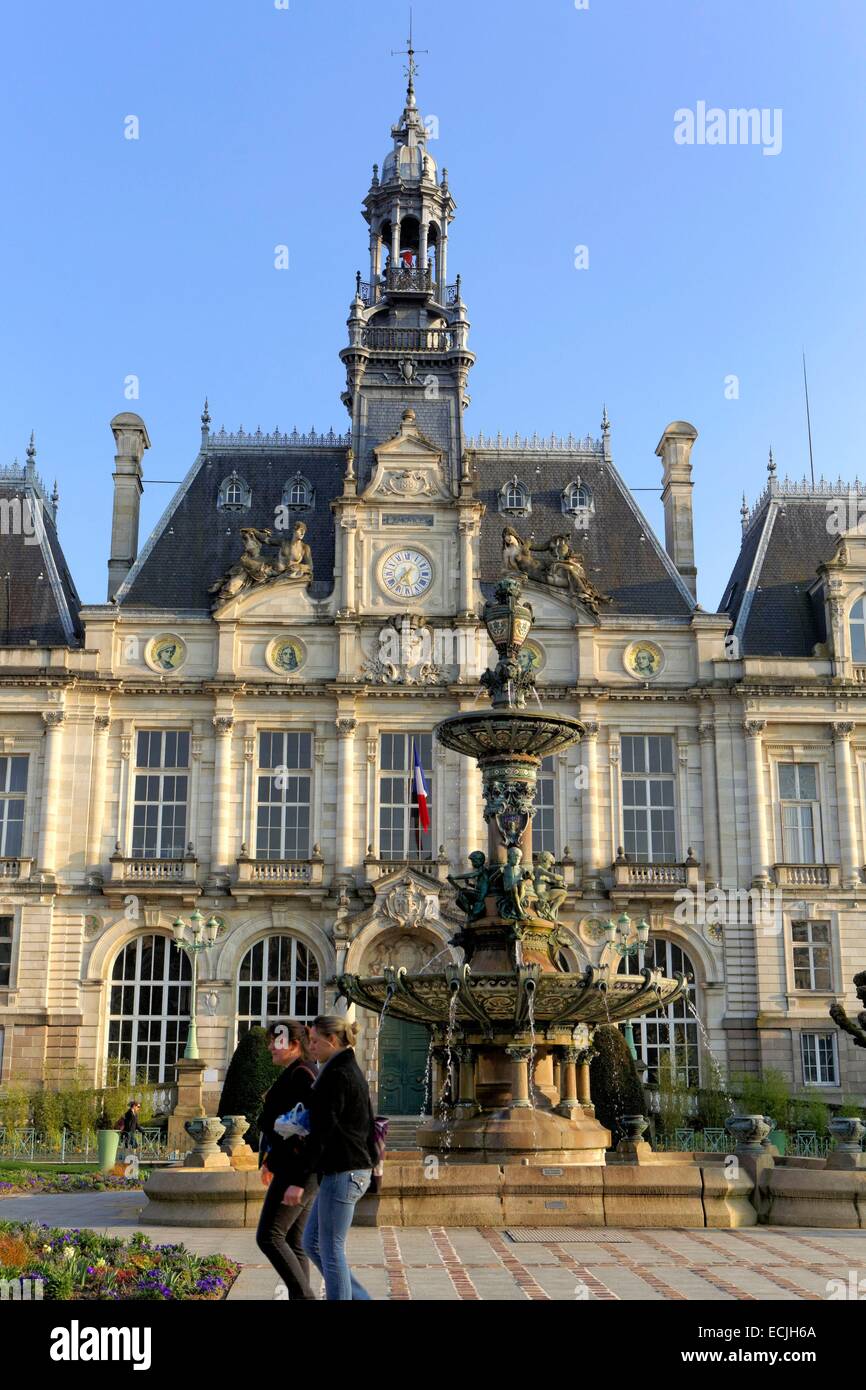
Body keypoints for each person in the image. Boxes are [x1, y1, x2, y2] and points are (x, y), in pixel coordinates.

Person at [283, 1015, 378, 1301]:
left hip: (344, 1171)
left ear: (332, 1041)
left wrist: (299, 1181)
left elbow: (322, 1133)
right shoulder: (342, 1068)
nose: (309, 1046)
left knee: (331, 1248)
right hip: (347, 1169)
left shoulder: (337, 1074)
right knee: (313, 1243)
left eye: (314, 1041)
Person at [256, 1020, 318, 1300]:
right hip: (293, 1169)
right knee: (293, 1241)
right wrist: (270, 1160)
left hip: (298, 1172)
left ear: (293, 1044)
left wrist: (300, 1180)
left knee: (269, 1236)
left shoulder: (303, 1075)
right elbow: (287, 1129)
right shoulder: (295, 1072)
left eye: (275, 1040)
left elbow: (311, 1133)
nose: (270, 1045)